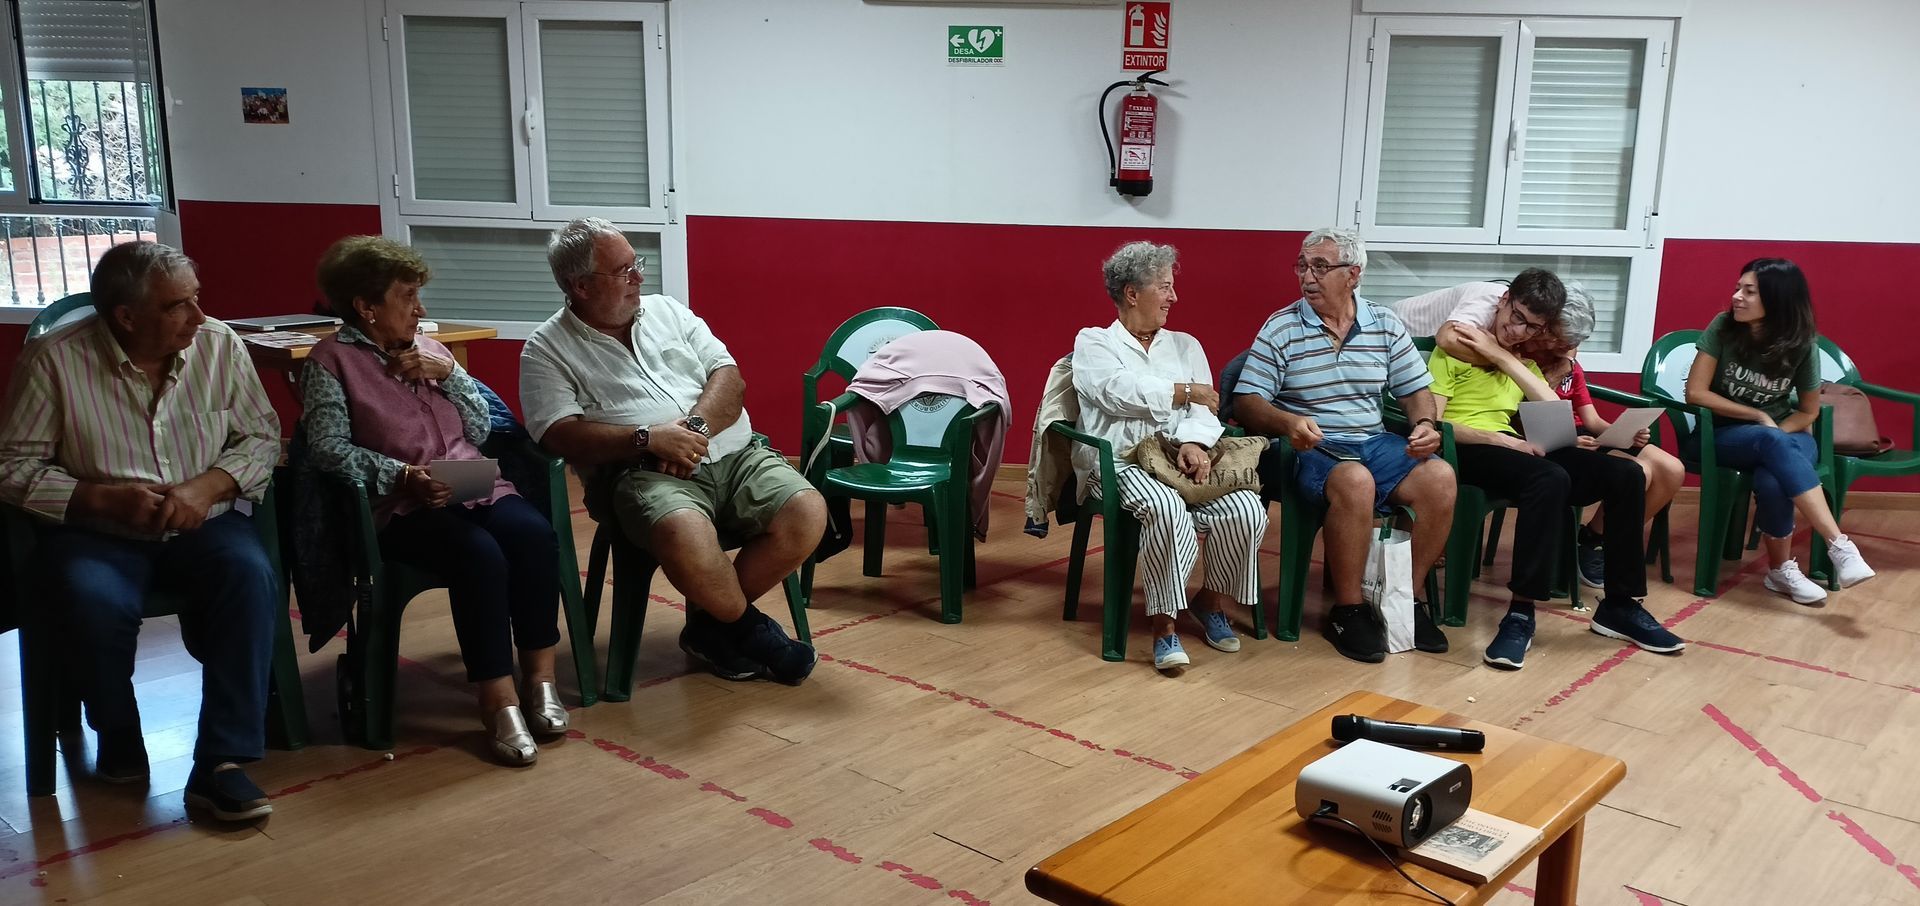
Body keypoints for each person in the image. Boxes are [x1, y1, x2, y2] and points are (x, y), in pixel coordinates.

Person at [0, 242, 280, 820]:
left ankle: (222, 760)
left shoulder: (218, 344)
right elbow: (13, 466)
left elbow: (261, 436)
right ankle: (117, 726)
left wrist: (207, 488)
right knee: (91, 598)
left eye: (196, 299)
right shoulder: (55, 359)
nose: (199, 317)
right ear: (125, 316)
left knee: (249, 577)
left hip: (203, 520)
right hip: (97, 528)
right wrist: (100, 498)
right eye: (178, 306)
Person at [521, 218, 826, 684]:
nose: (639, 277)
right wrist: (647, 438)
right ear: (580, 285)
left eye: (636, 264)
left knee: (807, 510)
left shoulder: (668, 311)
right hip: (646, 474)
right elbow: (557, 434)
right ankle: (748, 629)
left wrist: (691, 432)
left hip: (736, 455)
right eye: (623, 270)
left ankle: (711, 628)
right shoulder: (545, 349)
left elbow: (729, 378)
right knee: (683, 530)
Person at [302, 236, 566, 766]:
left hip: (473, 483)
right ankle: (497, 700)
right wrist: (402, 475)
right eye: (408, 296)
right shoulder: (330, 362)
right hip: (402, 504)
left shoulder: (434, 350)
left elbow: (481, 429)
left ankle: (540, 679)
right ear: (366, 306)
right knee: (478, 555)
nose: (420, 309)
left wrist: (450, 375)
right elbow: (327, 448)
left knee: (535, 535)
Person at [1232, 228, 1456, 664]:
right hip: (1310, 446)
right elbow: (1247, 401)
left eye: (1320, 267)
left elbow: (1415, 391)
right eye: (1302, 266)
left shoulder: (1384, 324)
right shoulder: (1282, 327)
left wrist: (1425, 423)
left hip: (1372, 440)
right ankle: (1348, 610)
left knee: (1440, 478)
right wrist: (1287, 422)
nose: (1307, 277)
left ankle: (1403, 601)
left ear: (1353, 275)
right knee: (1355, 480)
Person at [1434, 309, 1685, 669]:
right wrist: (1510, 437)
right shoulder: (1458, 347)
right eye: (1518, 319)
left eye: (1532, 326)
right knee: (1550, 478)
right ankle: (1521, 612)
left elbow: (1554, 412)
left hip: (1532, 444)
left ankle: (1619, 604)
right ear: (1502, 304)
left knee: (1627, 474)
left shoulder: (1527, 362)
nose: (1520, 330)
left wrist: (1505, 358)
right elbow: (1435, 416)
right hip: (1483, 448)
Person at [1071, 241, 1267, 673]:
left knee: (1247, 509)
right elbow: (1115, 392)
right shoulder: (1094, 342)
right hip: (1119, 463)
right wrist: (1184, 391)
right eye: (1164, 287)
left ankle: (1210, 601)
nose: (1173, 297)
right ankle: (1165, 625)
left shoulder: (1185, 345)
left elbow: (1205, 410)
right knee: (1165, 507)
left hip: (1178, 459)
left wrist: (1195, 443)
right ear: (1132, 293)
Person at [1684, 258, 1874, 603]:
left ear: (1777, 299)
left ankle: (1780, 571)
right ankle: (1839, 545)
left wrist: (1775, 435)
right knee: (1771, 443)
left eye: (1749, 291)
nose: (1736, 296)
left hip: (1785, 432)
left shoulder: (1801, 343)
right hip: (1722, 435)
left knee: (1773, 479)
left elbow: (1808, 412)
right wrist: (1757, 415)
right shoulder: (1723, 326)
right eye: (1738, 288)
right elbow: (1695, 393)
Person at [1527, 296, 1685, 588]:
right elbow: (1524, 420)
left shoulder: (1571, 364)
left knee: (1671, 468)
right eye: (1562, 340)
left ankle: (1593, 539)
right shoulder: (1526, 360)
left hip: (1584, 436)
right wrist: (1570, 439)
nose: (1568, 347)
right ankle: (1594, 543)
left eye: (1574, 342)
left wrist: (1623, 432)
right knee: (1639, 471)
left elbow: (1591, 419)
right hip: (1552, 439)